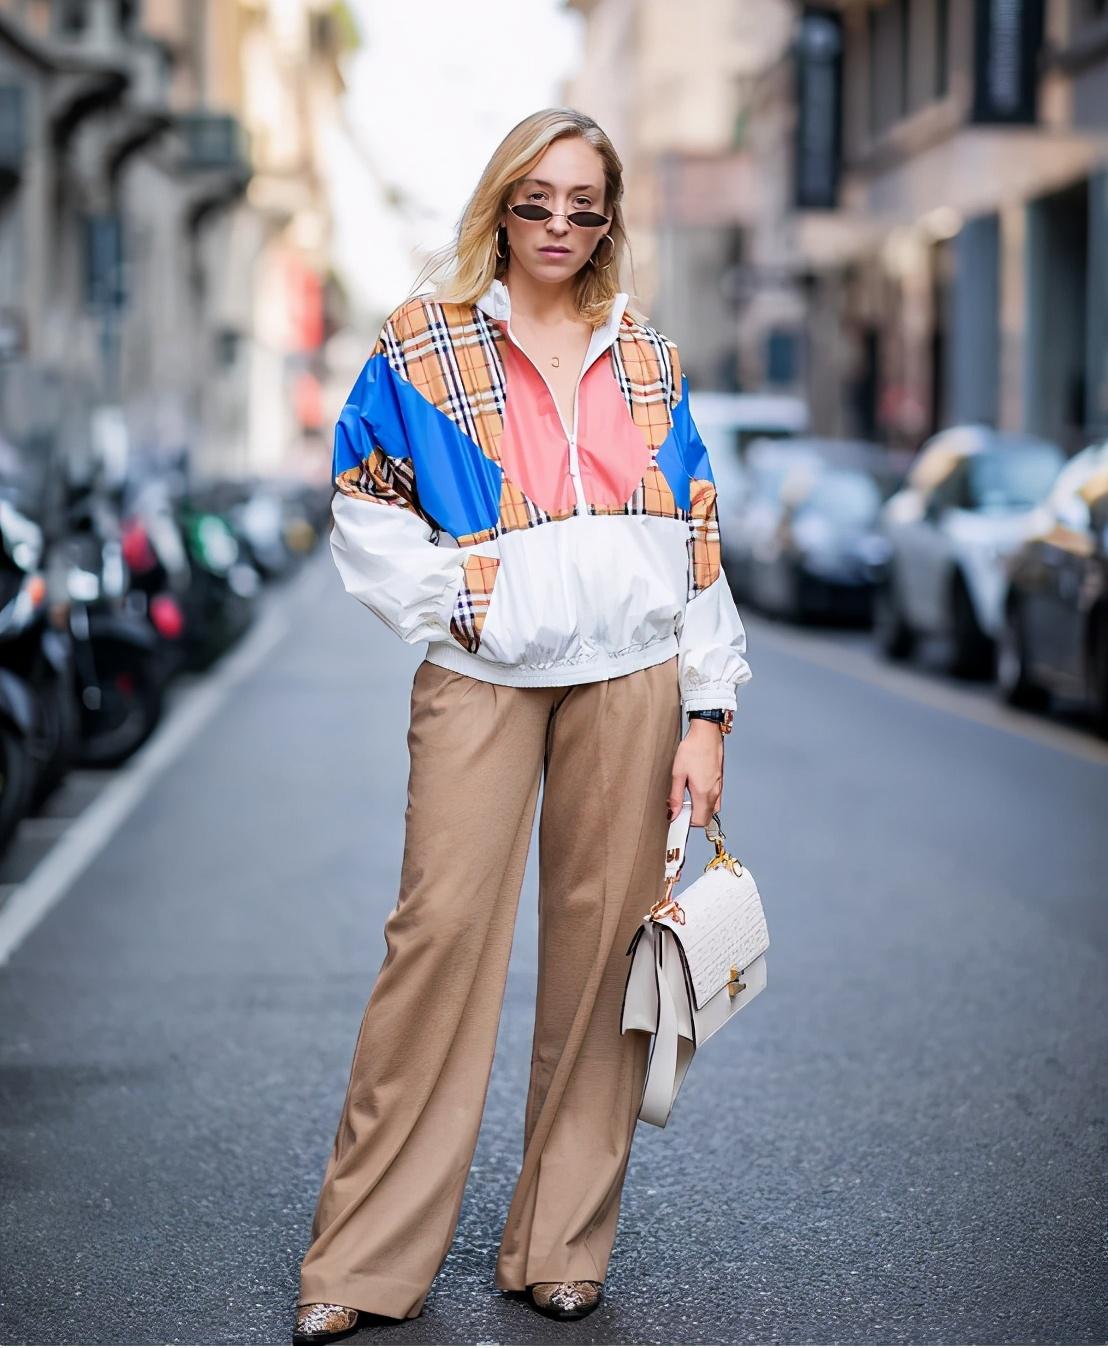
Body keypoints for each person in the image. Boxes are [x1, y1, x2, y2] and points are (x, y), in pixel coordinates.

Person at [292, 107, 752, 1345]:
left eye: (582, 207)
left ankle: (560, 1244)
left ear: (607, 221)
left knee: (606, 958)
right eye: (535, 201)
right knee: (438, 936)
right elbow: (364, 504)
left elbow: (697, 538)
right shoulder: (424, 340)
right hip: (481, 676)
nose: (557, 224)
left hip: (634, 675)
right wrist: (467, 604)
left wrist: (707, 712)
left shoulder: (644, 354)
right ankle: (363, 1260)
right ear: (500, 205)